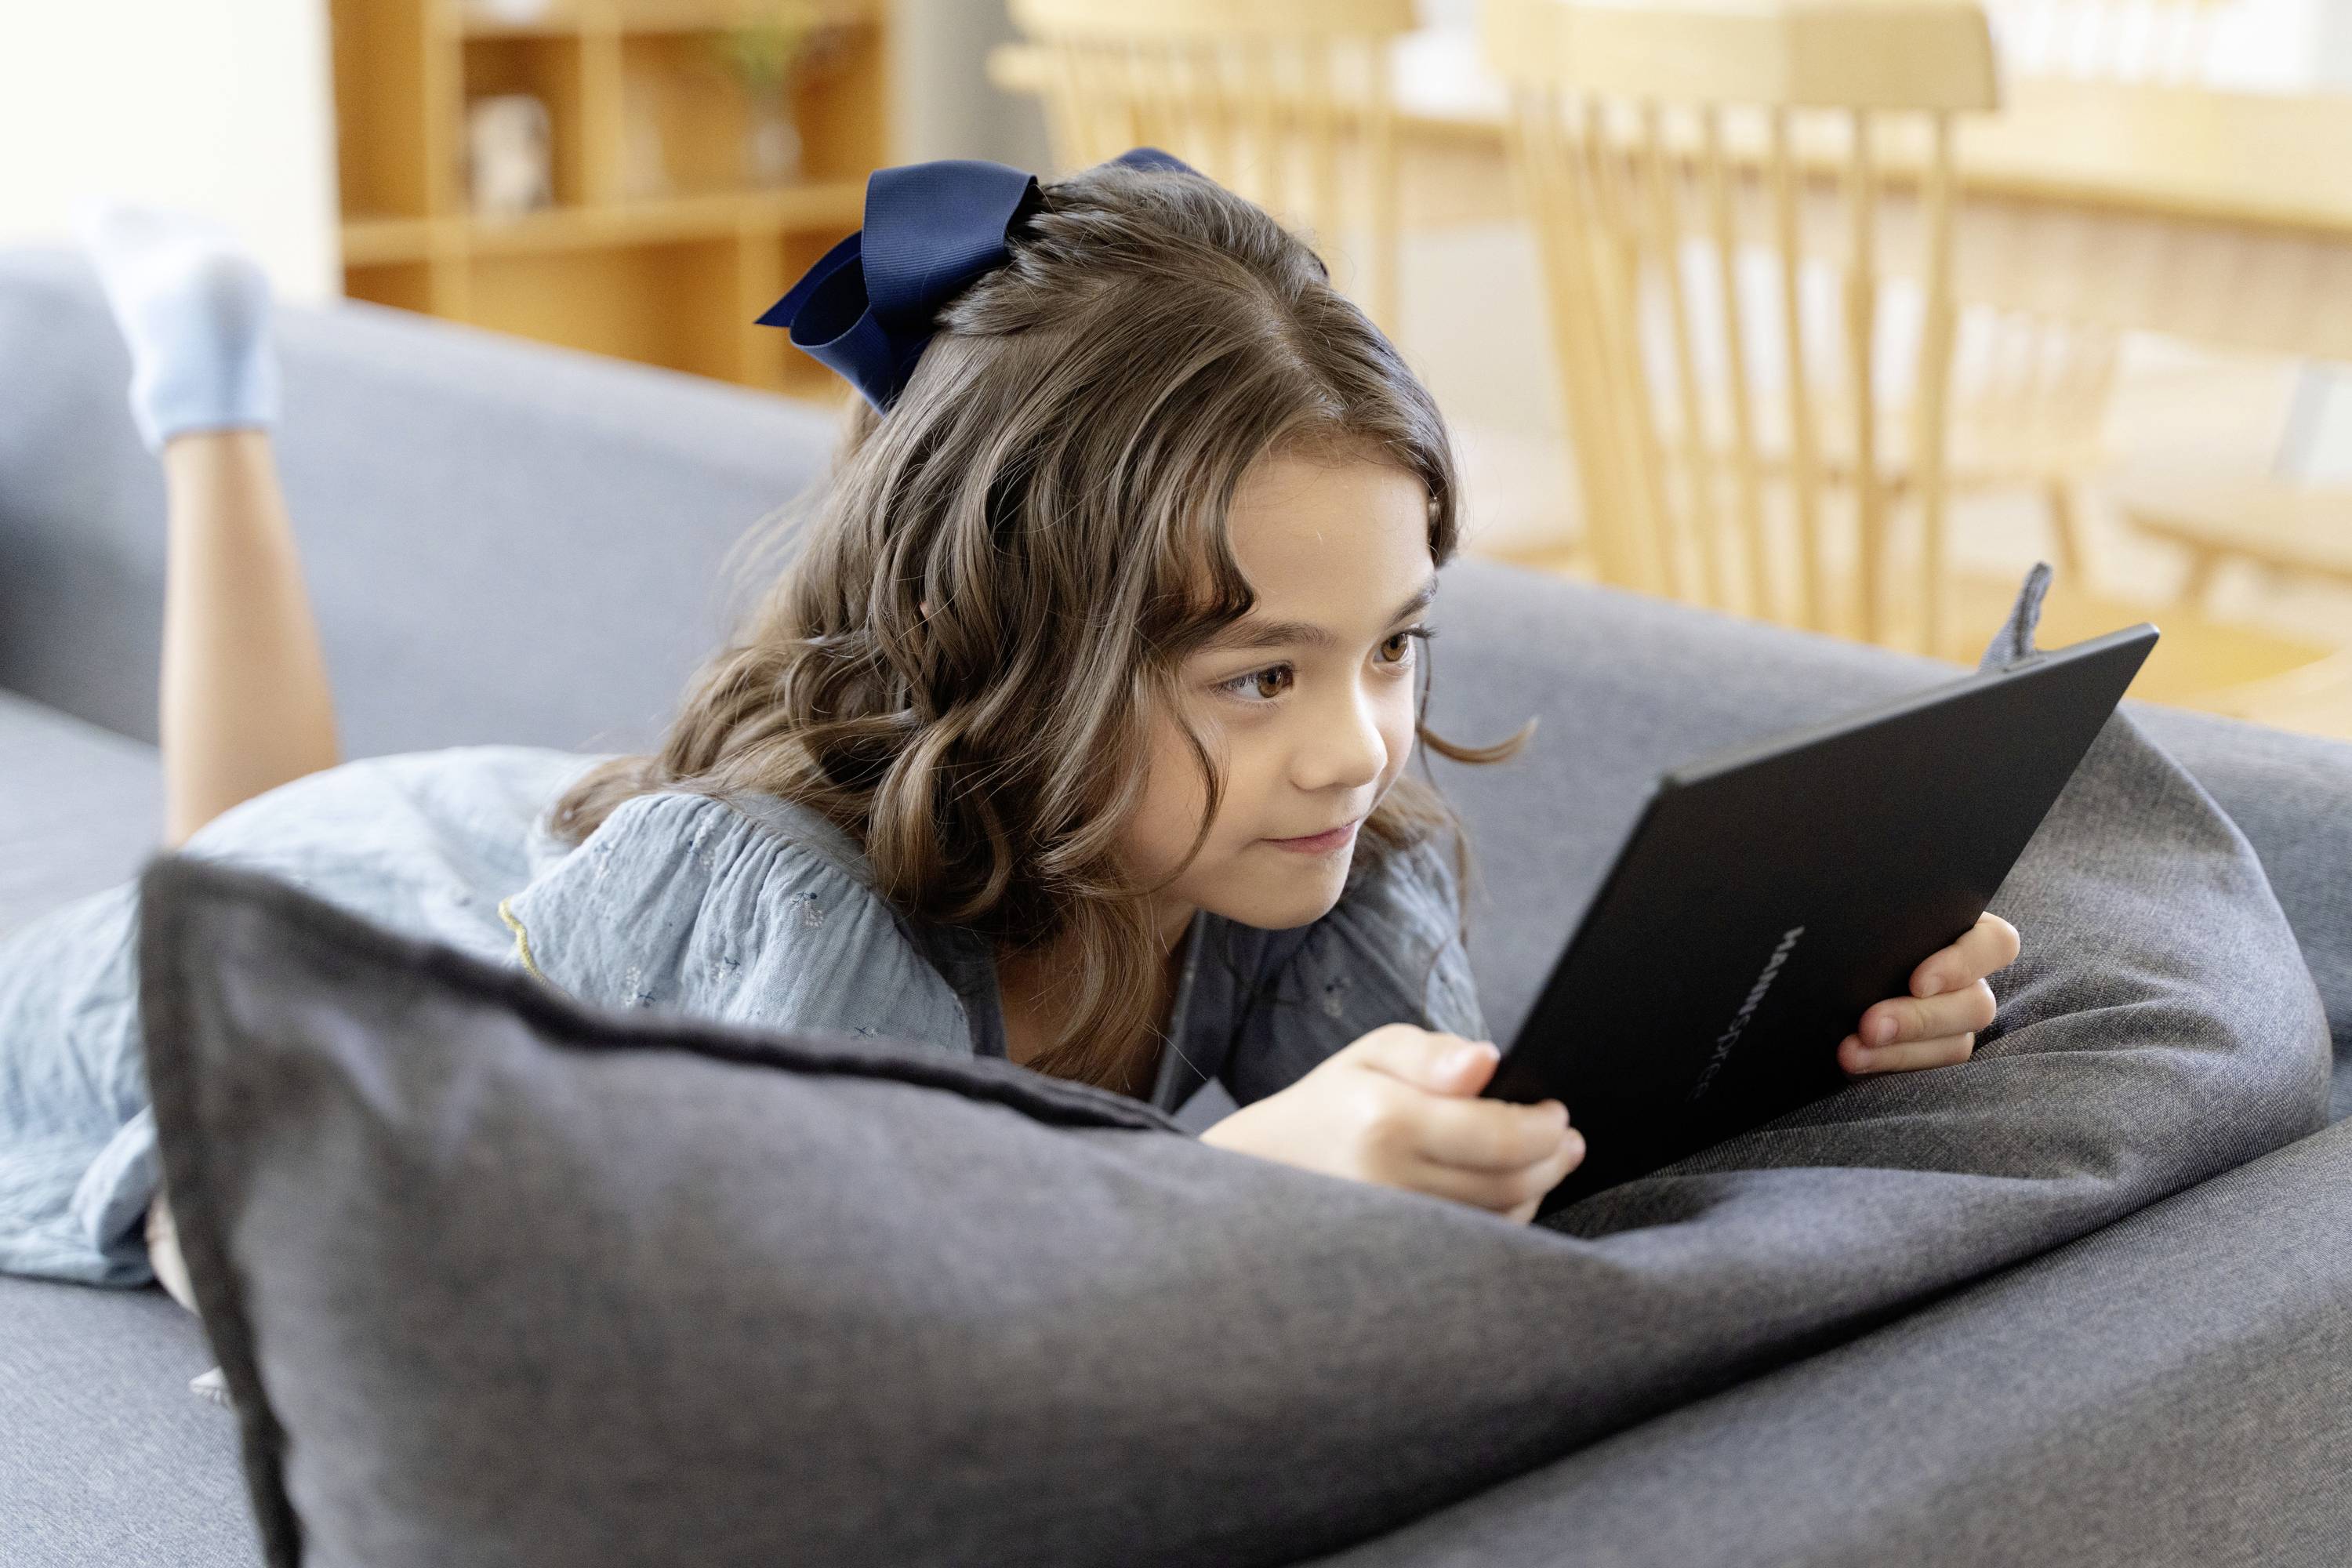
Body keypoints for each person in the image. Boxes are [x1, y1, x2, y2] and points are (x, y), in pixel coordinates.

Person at [0, 152, 2020, 1310]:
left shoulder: (1314, 850)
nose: (1356, 748)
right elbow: (840, 1318)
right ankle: (212, 395)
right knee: (234, 926)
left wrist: (1816, 1029)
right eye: (1261, 673)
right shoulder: (803, 919)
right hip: (440, 944)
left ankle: (214, 388)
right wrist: (1245, 1182)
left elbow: (1500, 1200)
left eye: (1393, 647)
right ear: (1011, 651)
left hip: (568, 873)